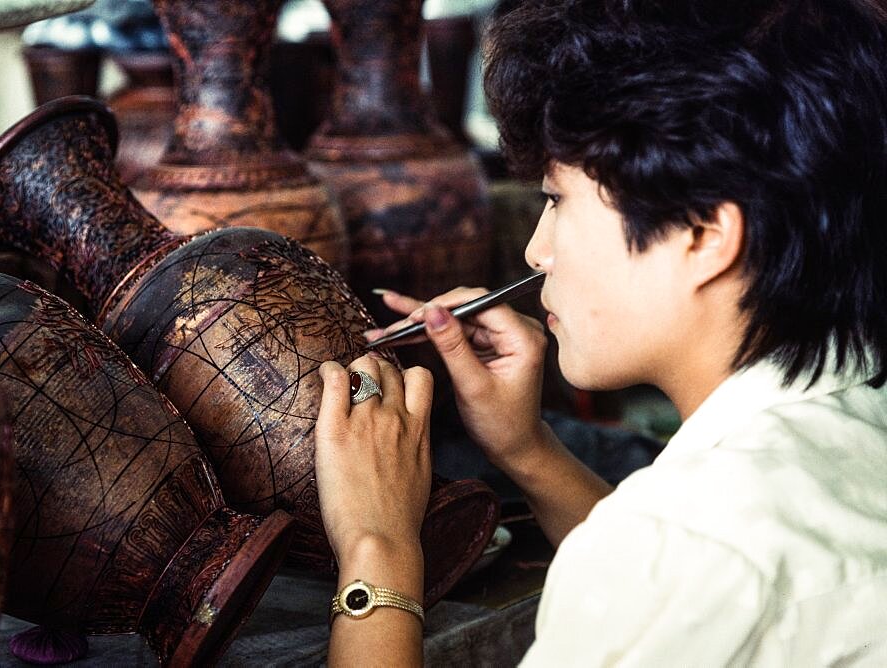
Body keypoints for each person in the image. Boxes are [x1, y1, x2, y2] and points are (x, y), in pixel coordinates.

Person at [313, 0, 887, 664]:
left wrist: (376, 548)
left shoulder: (682, 544)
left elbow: (668, 563)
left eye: (557, 200)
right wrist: (526, 448)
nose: (536, 251)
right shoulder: (856, 425)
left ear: (703, 237)